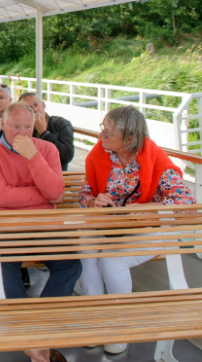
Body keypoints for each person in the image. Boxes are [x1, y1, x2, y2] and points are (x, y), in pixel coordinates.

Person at [78, 106, 195, 354]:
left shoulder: (156, 160)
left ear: (129, 139)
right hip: (109, 225)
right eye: (102, 129)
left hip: (150, 228)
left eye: (107, 133)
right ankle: (95, 321)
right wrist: (93, 201)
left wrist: (154, 209)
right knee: (85, 249)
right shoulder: (99, 155)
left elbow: (187, 204)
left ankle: (121, 328)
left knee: (112, 261)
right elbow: (85, 194)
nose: (101, 137)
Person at [0, 102, 79, 362]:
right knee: (1, 266)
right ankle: (37, 340)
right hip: (4, 228)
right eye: (15, 126)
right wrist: (41, 197)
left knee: (71, 264)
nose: (22, 133)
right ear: (3, 126)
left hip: (44, 227)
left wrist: (33, 156)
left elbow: (55, 193)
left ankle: (34, 332)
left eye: (27, 127)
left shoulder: (47, 149)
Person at [18, 92, 75, 170]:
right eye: (29, 108)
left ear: (43, 105)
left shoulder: (61, 123)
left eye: (36, 105)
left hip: (57, 174)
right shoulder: (21, 129)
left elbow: (67, 156)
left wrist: (44, 132)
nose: (34, 110)